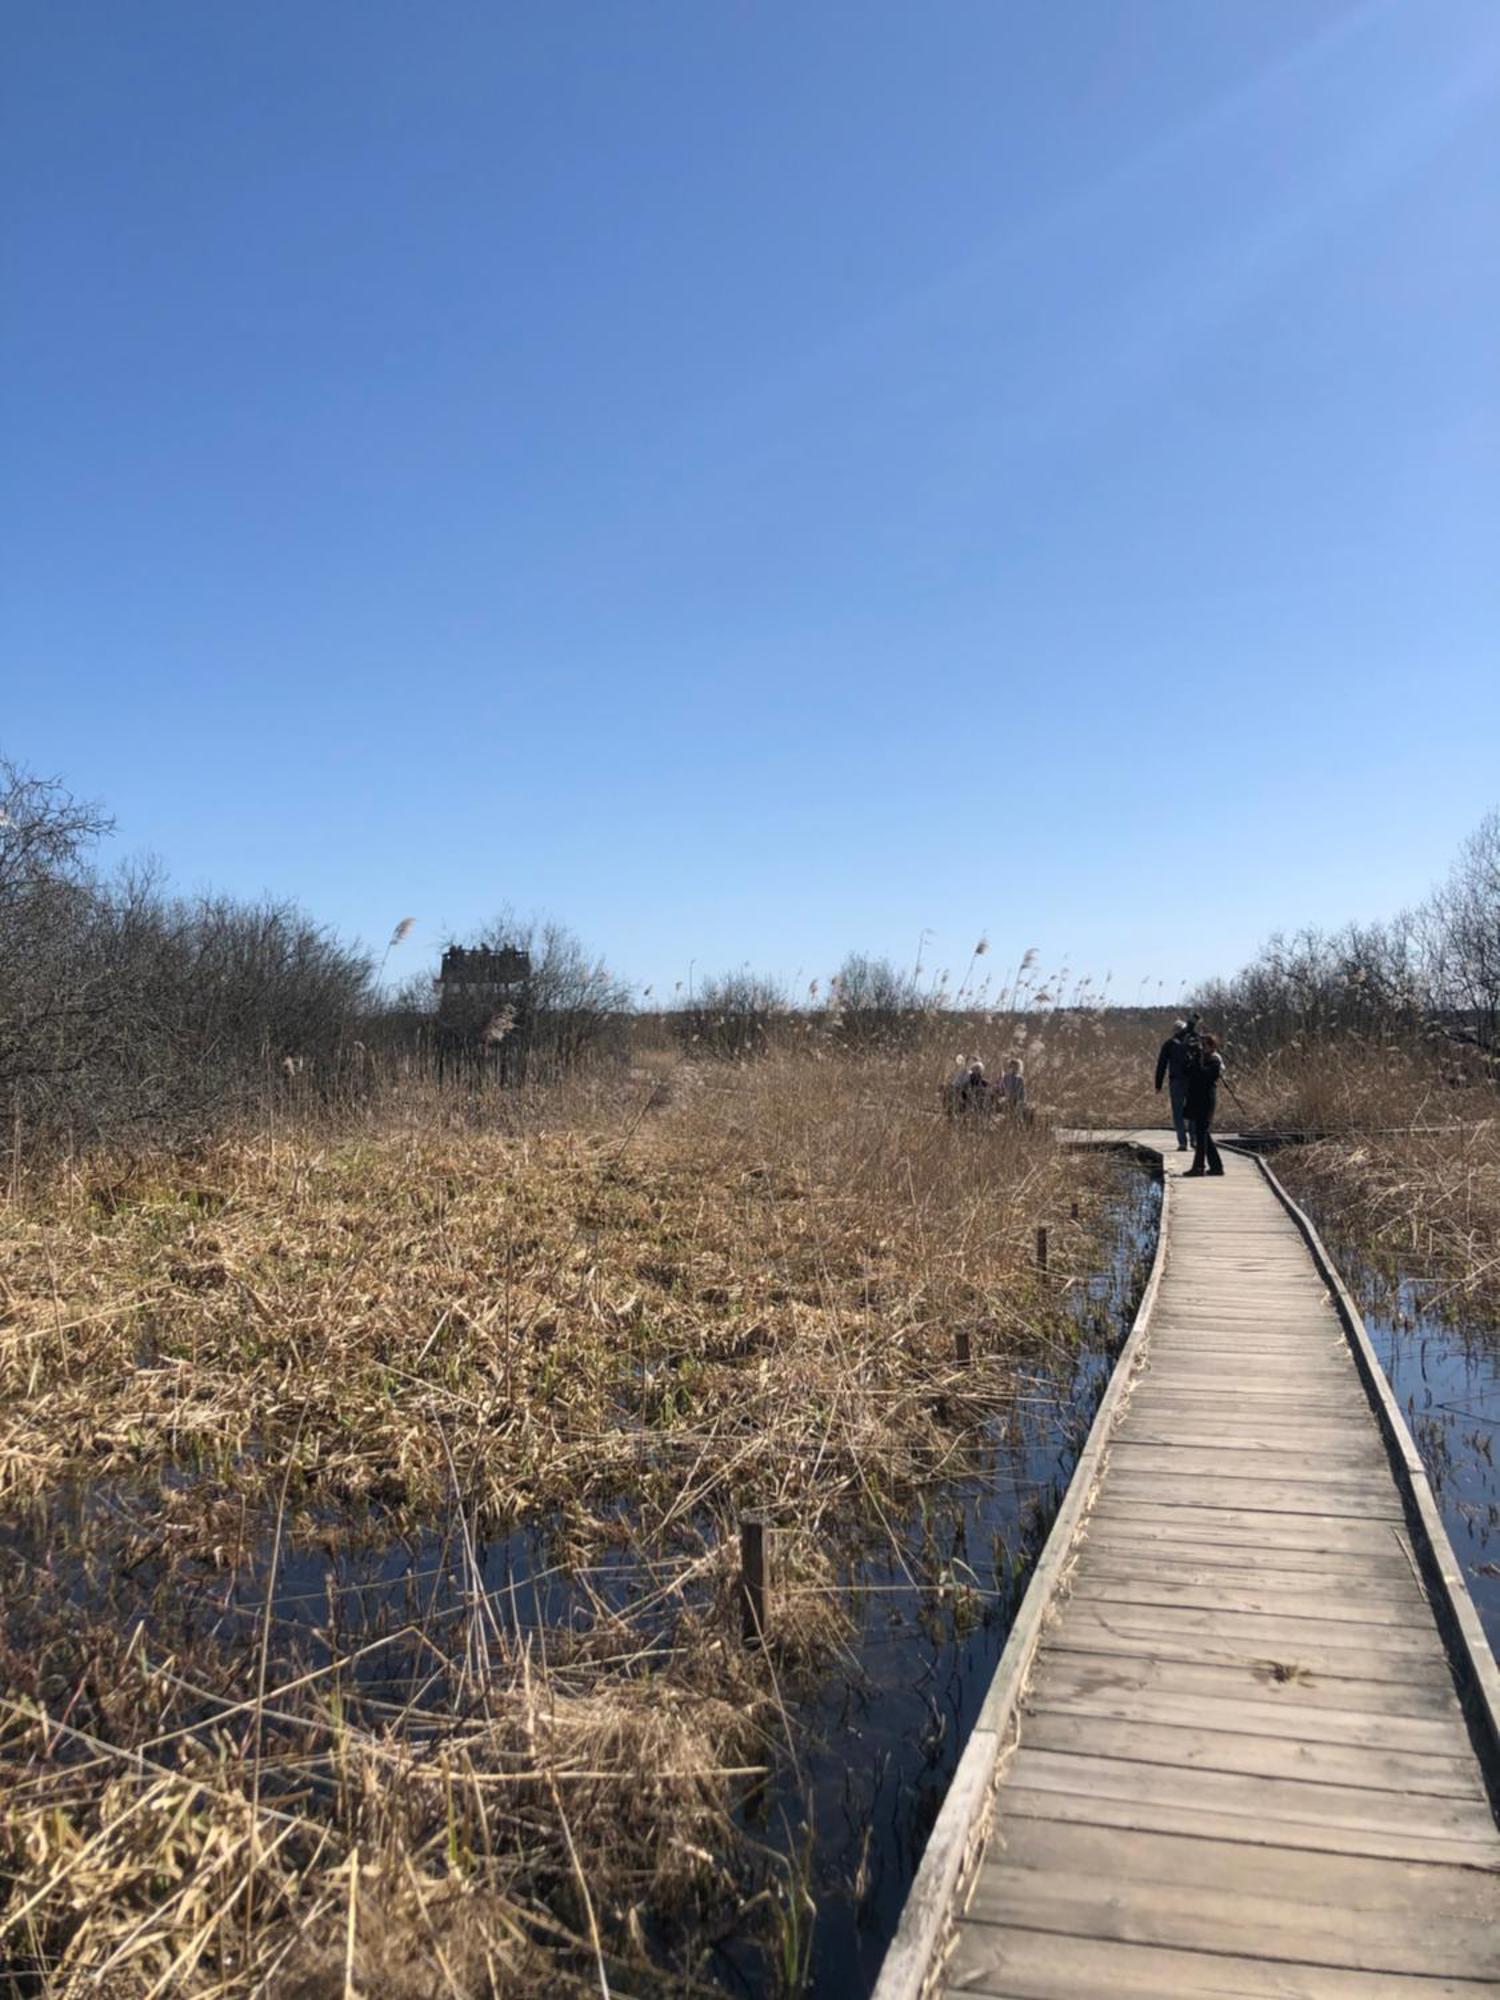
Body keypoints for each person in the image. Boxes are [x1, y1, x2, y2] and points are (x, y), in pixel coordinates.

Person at [1154, 1015, 1201, 1151]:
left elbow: (1161, 1065)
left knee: (1178, 1112)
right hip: (1193, 1081)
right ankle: (1194, 1140)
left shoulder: (1169, 1044)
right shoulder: (1194, 1042)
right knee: (1193, 1111)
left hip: (1176, 1081)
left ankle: (1182, 1142)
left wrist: (1158, 1084)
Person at [1183, 1033, 1225, 1177]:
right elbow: (1187, 1072)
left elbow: (1204, 1076)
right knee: (1203, 1133)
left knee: (1201, 1134)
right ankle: (1216, 1166)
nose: (1202, 1047)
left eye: (1205, 1045)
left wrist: (1198, 1059)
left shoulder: (1214, 1061)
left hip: (1207, 1100)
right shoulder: (1201, 1058)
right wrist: (1192, 1056)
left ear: (1212, 1046)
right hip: (1196, 1099)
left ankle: (1199, 1167)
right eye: (1201, 1044)